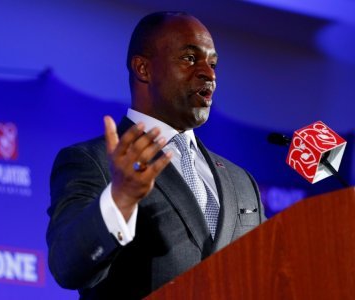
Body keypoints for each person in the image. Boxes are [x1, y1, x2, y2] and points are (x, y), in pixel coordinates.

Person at [47, 11, 266, 300]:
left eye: (212, 63)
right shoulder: (93, 161)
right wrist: (121, 198)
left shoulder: (241, 182)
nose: (209, 74)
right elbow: (67, 265)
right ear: (143, 69)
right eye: (190, 58)